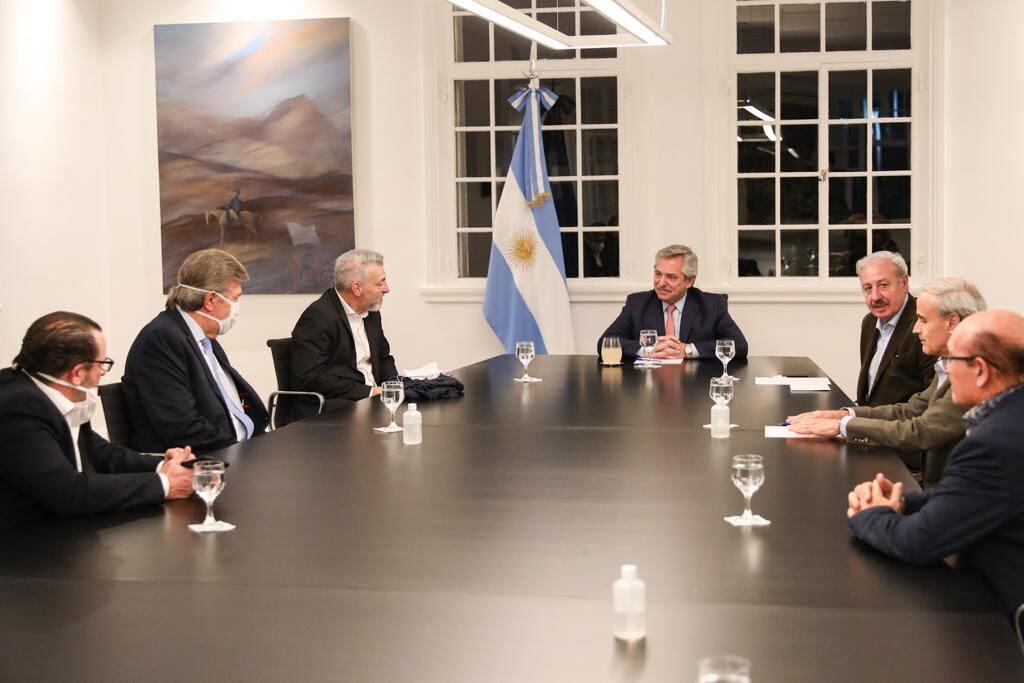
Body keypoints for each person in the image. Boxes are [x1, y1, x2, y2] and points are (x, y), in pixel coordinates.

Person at [846, 310, 1024, 618]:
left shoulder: (994, 443)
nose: (945, 370)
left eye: (950, 360)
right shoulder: (1011, 417)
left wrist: (870, 514)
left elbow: (918, 542)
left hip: (998, 620)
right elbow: (973, 496)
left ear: (980, 371)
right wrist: (901, 501)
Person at [786, 277, 987, 486]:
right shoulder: (949, 362)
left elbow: (920, 431)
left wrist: (841, 426)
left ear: (952, 322)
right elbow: (910, 410)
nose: (916, 329)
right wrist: (844, 414)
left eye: (923, 320)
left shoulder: (971, 373)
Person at [0, 312, 194, 527]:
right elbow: (68, 492)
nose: (102, 372)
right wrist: (164, 484)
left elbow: (99, 451)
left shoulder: (49, 392)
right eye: (102, 363)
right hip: (26, 539)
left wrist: (163, 466)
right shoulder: (17, 408)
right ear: (78, 373)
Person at [122, 249, 268, 454]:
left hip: (241, 447)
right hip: (207, 458)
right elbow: (182, 427)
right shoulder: (161, 339)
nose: (237, 307)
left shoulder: (205, 338)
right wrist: (238, 449)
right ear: (210, 301)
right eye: (235, 299)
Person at [289, 249, 398, 419]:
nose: (387, 289)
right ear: (357, 288)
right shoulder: (318, 317)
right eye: (380, 283)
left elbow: (383, 358)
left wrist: (395, 387)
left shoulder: (371, 312)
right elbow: (310, 378)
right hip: (333, 409)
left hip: (371, 403)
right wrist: (370, 392)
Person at [597, 244, 747, 361]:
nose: (661, 283)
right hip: (649, 385)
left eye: (671, 277)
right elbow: (605, 342)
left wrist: (687, 350)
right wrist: (647, 351)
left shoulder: (711, 304)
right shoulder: (637, 303)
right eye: (658, 274)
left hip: (696, 385)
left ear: (689, 281)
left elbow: (739, 345)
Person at [855, 251, 935, 406]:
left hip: (902, 419)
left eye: (883, 285)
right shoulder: (869, 322)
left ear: (904, 283)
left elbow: (930, 400)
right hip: (868, 417)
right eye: (868, 288)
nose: (875, 297)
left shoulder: (923, 321)